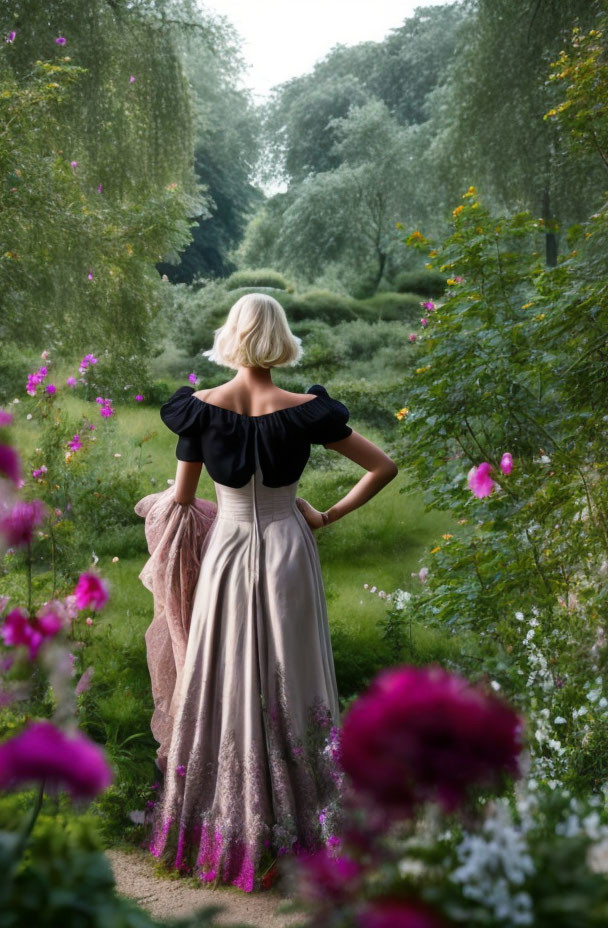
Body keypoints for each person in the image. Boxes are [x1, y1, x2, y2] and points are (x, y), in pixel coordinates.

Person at [136, 293, 398, 893]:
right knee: (293, 672)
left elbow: (179, 500)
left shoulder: (199, 410)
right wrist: (325, 516)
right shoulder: (306, 411)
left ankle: (224, 824)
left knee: (224, 675)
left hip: (228, 552)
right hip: (287, 547)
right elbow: (382, 467)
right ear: (280, 338)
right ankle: (306, 825)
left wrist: (156, 508)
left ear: (232, 335)